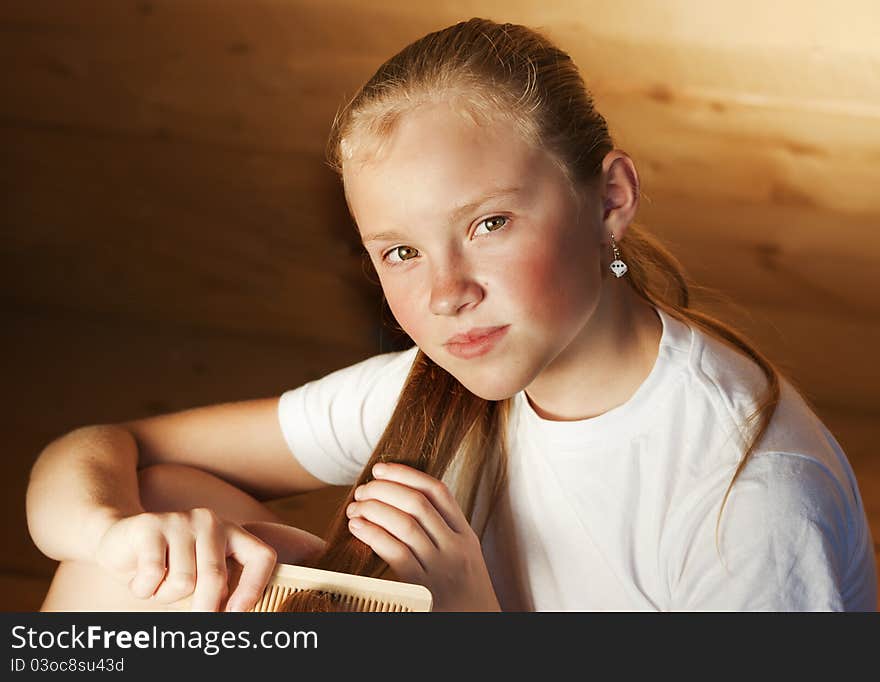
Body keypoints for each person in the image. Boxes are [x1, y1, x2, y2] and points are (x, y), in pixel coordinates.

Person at [26, 18, 877, 612]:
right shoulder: (440, 380)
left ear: (610, 198)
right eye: (401, 252)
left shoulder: (754, 496)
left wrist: (470, 623)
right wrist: (113, 539)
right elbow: (108, 450)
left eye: (489, 225)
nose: (445, 293)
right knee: (164, 520)